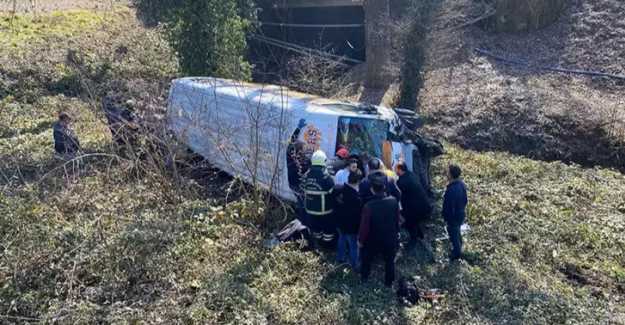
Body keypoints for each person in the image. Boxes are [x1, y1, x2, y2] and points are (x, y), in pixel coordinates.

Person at [358, 172, 401, 287]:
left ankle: (364, 278)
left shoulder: (369, 206)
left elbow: (364, 227)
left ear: (372, 189)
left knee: (366, 259)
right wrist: (397, 234)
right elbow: (397, 220)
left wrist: (361, 241)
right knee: (389, 261)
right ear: (384, 188)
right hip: (390, 238)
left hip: (373, 240)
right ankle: (389, 282)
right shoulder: (393, 201)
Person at [302, 150, 336, 247]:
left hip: (310, 209)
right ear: (323, 161)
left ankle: (317, 245)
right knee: (328, 230)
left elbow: (302, 188)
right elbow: (332, 191)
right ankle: (327, 247)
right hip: (325, 210)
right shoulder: (326, 177)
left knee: (316, 228)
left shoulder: (306, 175)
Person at [395, 161, 432, 248]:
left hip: (416, 208)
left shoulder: (403, 181)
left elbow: (396, 191)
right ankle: (420, 235)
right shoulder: (410, 174)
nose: (394, 170)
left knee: (410, 223)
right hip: (423, 205)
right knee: (414, 222)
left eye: (395, 168)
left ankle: (413, 241)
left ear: (400, 170)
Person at [335, 169, 363, 269]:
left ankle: (340, 258)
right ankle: (354, 264)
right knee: (353, 245)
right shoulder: (357, 197)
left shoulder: (341, 189)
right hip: (352, 226)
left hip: (340, 222)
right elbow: (359, 214)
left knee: (341, 239)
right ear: (358, 181)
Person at [286, 119, 311, 223]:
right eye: (304, 148)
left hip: (292, 184)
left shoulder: (290, 156)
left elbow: (291, 142)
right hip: (298, 186)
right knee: (304, 205)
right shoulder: (303, 161)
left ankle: (301, 220)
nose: (305, 150)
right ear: (300, 150)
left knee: (301, 203)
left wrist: (298, 128)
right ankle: (303, 222)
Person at [442, 164, 468, 261]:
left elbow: (449, 207)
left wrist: (447, 217)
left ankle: (456, 254)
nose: (446, 173)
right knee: (457, 231)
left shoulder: (451, 189)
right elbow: (465, 200)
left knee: (453, 234)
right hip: (461, 213)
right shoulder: (461, 184)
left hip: (453, 216)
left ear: (451, 175)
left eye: (448, 172)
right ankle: (459, 246)